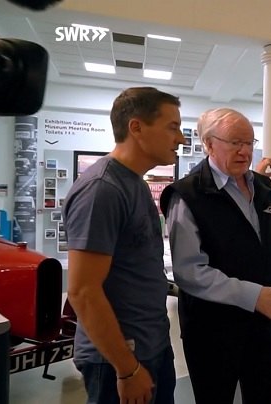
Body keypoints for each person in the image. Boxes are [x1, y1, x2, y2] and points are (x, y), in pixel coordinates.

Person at [159, 108, 271, 404]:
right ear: (209, 144)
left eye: (249, 143)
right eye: (235, 142)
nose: (245, 151)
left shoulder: (263, 188)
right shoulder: (187, 195)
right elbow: (190, 272)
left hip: (260, 328)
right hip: (212, 334)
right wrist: (255, 296)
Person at [63, 87, 184, 404]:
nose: (181, 138)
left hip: (152, 347)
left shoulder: (135, 184)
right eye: (172, 127)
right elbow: (83, 291)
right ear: (136, 127)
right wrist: (127, 369)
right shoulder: (102, 189)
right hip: (118, 361)